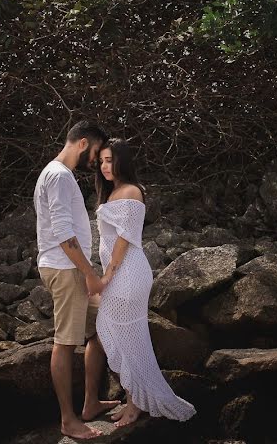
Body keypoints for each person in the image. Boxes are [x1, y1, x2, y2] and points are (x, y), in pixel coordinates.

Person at [95, 138, 196, 427]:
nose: (104, 166)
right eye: (101, 161)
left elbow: (124, 242)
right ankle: (134, 399)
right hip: (118, 275)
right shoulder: (112, 192)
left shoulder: (131, 192)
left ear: (123, 161)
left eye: (110, 160)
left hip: (126, 275)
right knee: (120, 337)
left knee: (130, 339)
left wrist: (105, 277)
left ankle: (136, 404)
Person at [34, 120, 119, 440]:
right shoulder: (57, 176)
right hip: (65, 269)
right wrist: (90, 274)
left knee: (103, 324)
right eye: (96, 153)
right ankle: (68, 420)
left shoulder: (59, 175)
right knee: (66, 343)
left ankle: (90, 403)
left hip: (67, 267)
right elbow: (62, 232)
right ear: (83, 143)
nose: (96, 161)